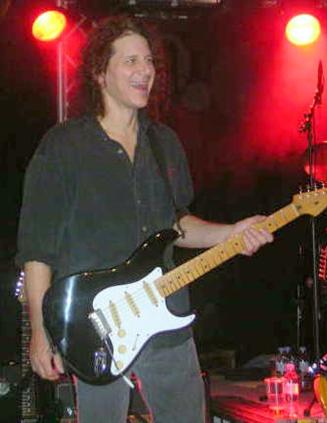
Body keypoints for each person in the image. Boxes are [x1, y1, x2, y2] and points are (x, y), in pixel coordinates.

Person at [16, 16, 273, 423]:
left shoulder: (164, 143)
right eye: (131, 61)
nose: (145, 71)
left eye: (149, 61)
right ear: (100, 73)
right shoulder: (64, 146)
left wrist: (232, 233)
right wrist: (39, 333)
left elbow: (177, 225)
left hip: (166, 316)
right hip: (95, 326)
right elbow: (37, 247)